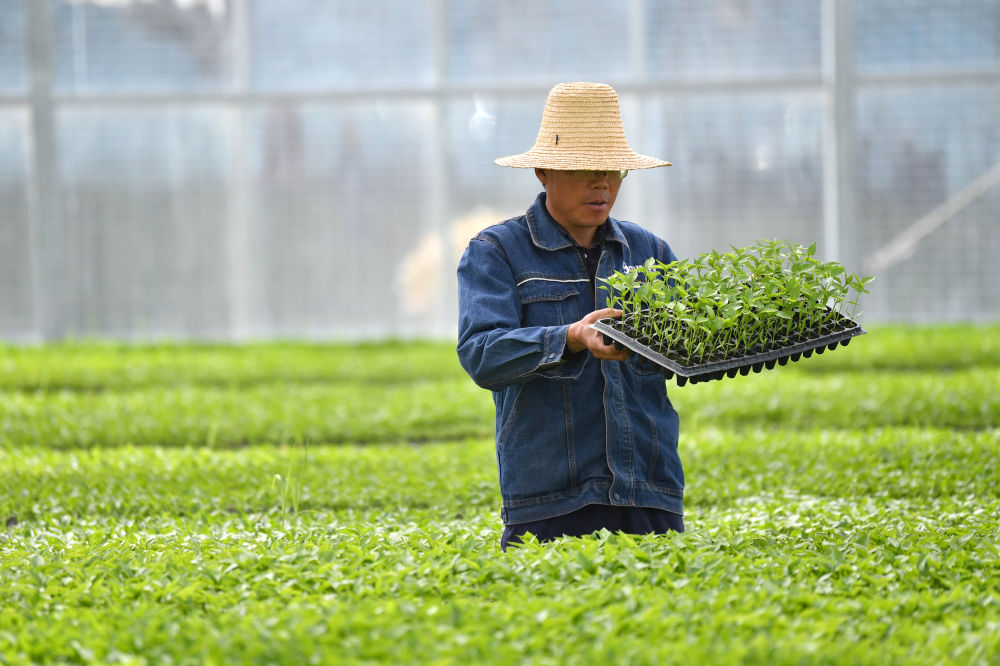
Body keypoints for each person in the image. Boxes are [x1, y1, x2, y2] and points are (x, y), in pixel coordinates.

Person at [456, 82, 685, 551]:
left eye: (612, 169)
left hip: (647, 488)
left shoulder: (650, 252)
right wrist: (572, 337)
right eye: (583, 169)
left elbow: (683, 348)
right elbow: (482, 355)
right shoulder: (498, 251)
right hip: (549, 497)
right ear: (543, 172)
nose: (601, 183)